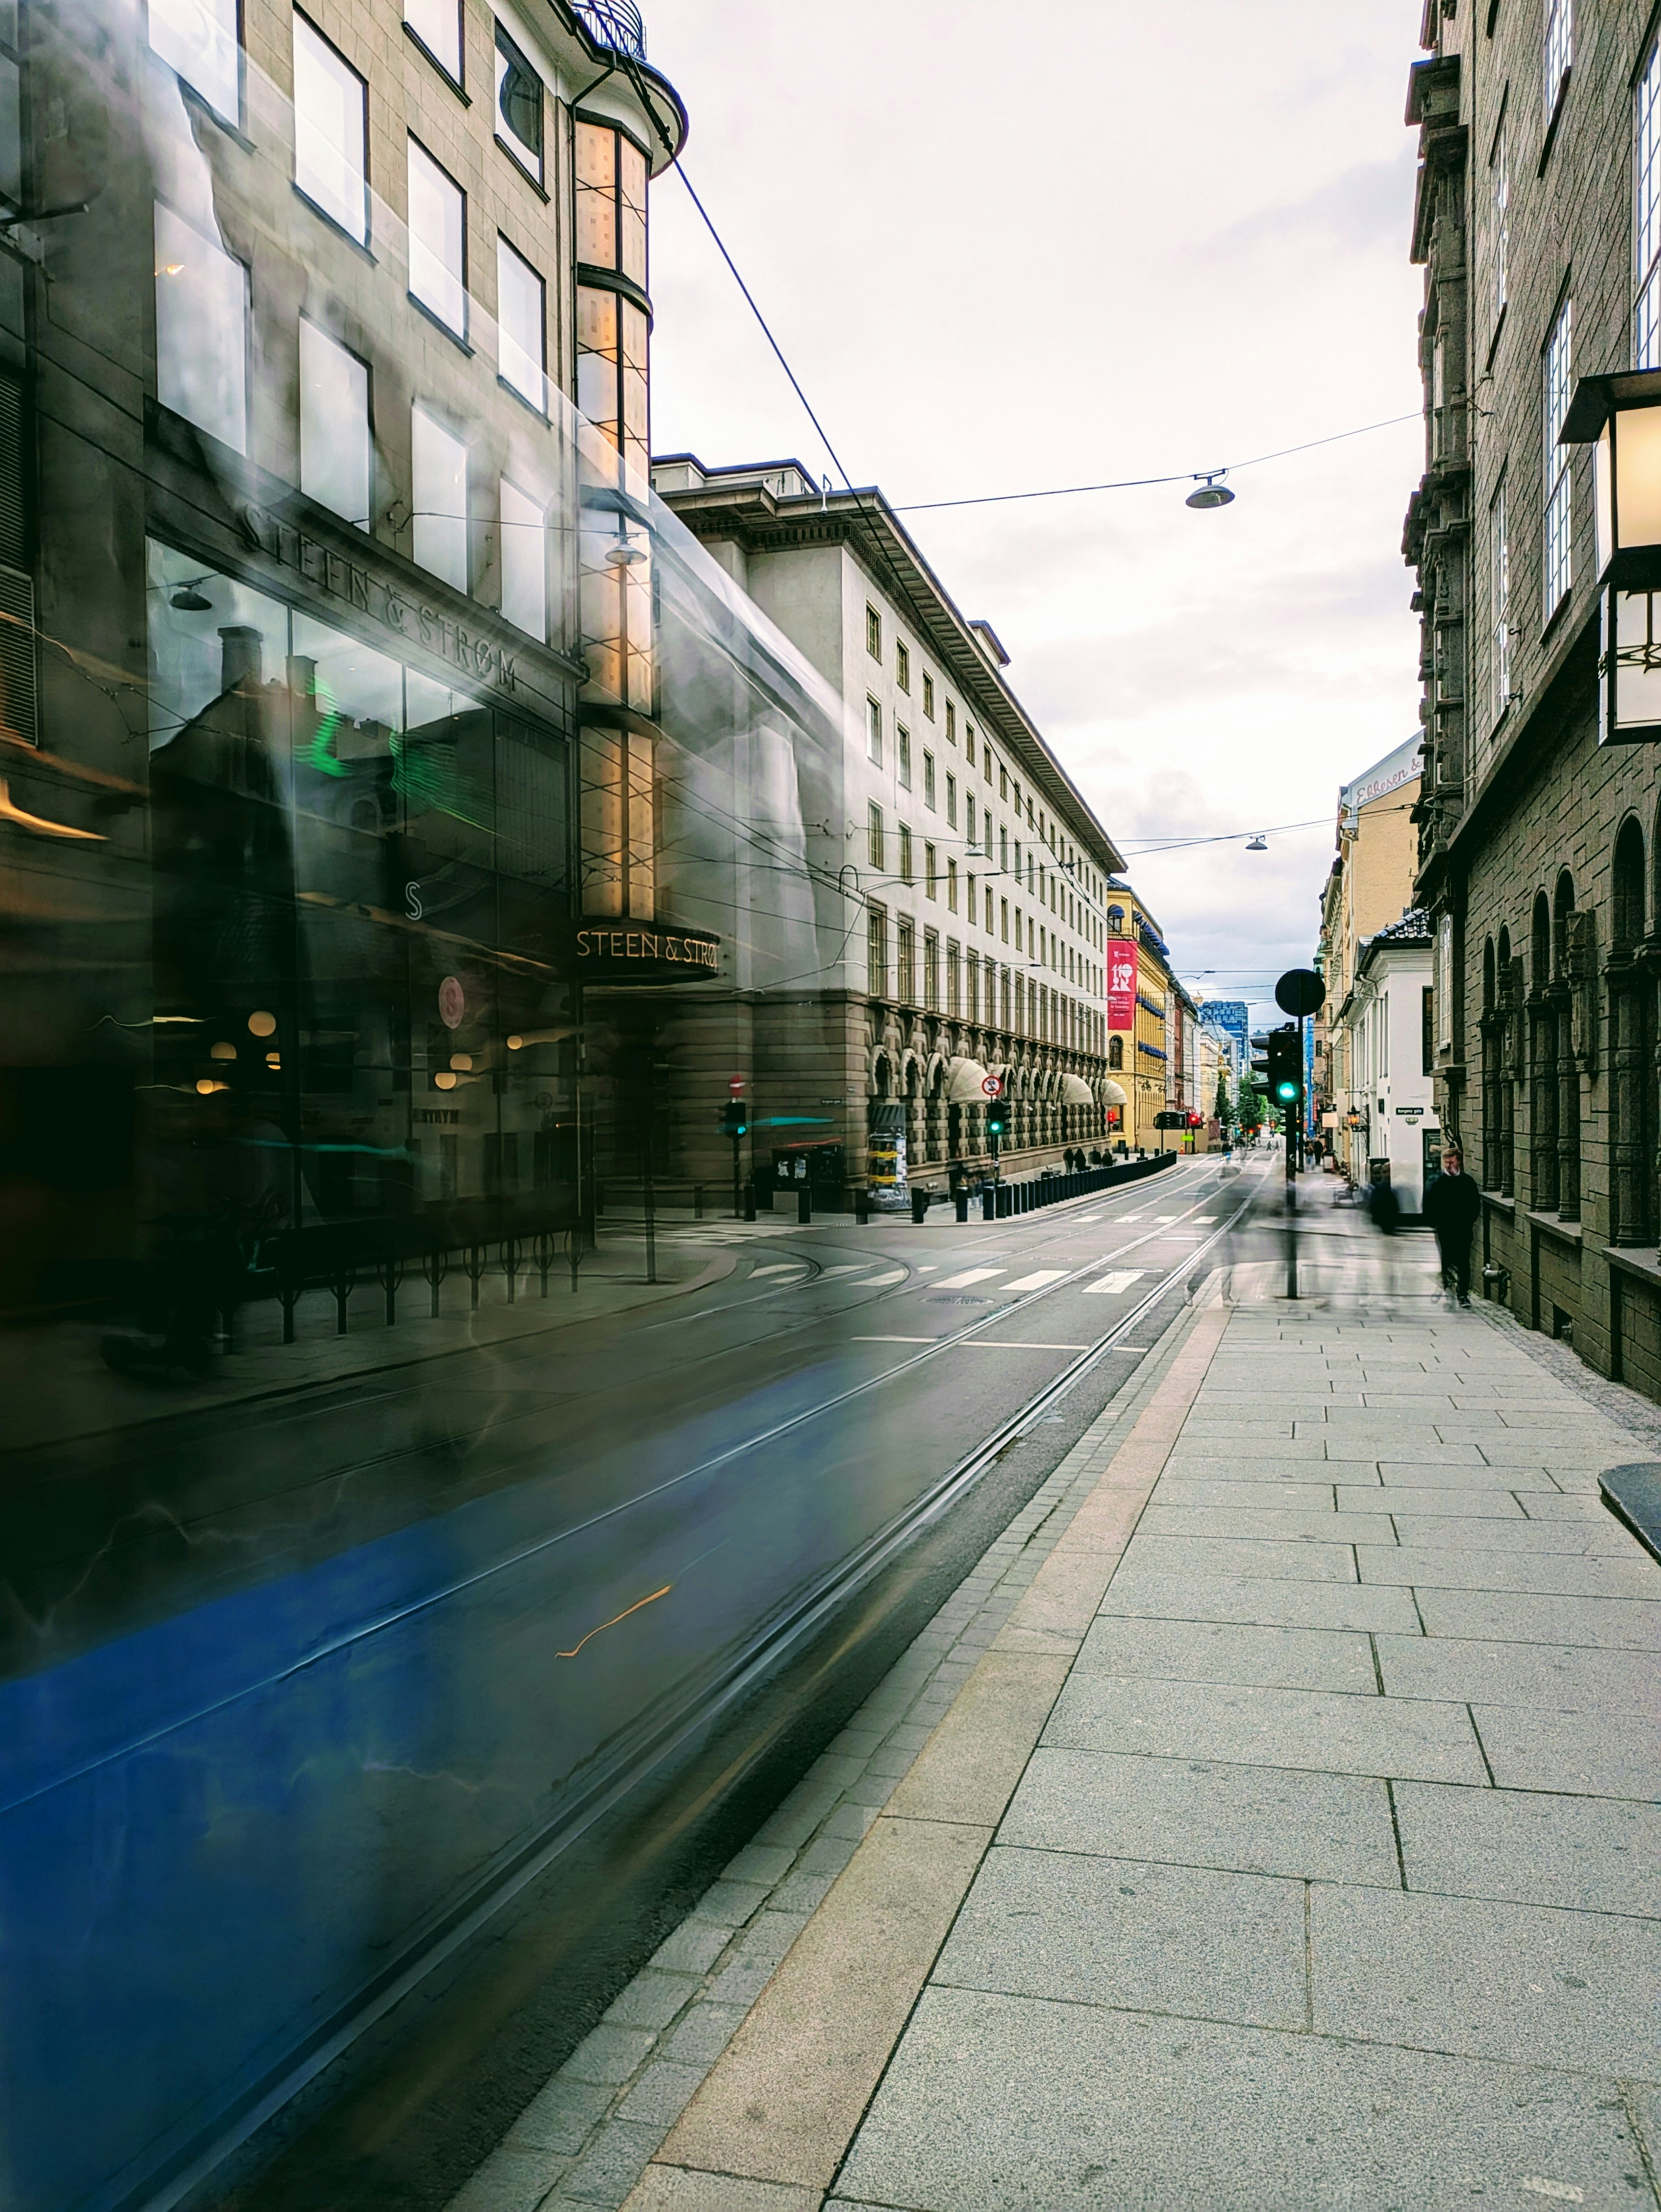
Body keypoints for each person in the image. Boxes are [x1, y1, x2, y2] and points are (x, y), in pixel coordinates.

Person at [1424, 1142, 1481, 1306]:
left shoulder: (1467, 1182)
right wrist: (1435, 1224)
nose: (1449, 1165)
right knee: (1446, 1259)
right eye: (1446, 1162)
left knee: (1464, 1262)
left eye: (1452, 1162)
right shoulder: (1438, 1182)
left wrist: (1469, 1222)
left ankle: (1463, 1294)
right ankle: (1446, 1284)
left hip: (1463, 1229)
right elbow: (1429, 1204)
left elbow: (1475, 1204)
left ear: (1459, 1163)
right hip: (1444, 1229)